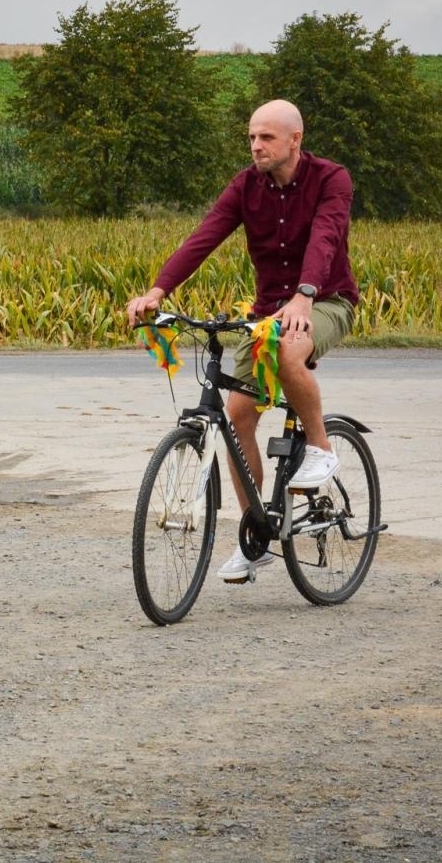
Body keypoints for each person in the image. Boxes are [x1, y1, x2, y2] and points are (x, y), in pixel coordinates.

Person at [125, 99, 359, 582]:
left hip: (327, 300)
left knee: (290, 349)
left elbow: (326, 235)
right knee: (236, 417)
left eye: (266, 137)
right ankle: (256, 535)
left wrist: (304, 295)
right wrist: (158, 291)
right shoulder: (245, 186)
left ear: (295, 139)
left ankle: (321, 448)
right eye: (252, 136)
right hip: (266, 312)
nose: (256, 145)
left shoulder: (331, 179)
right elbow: (204, 237)